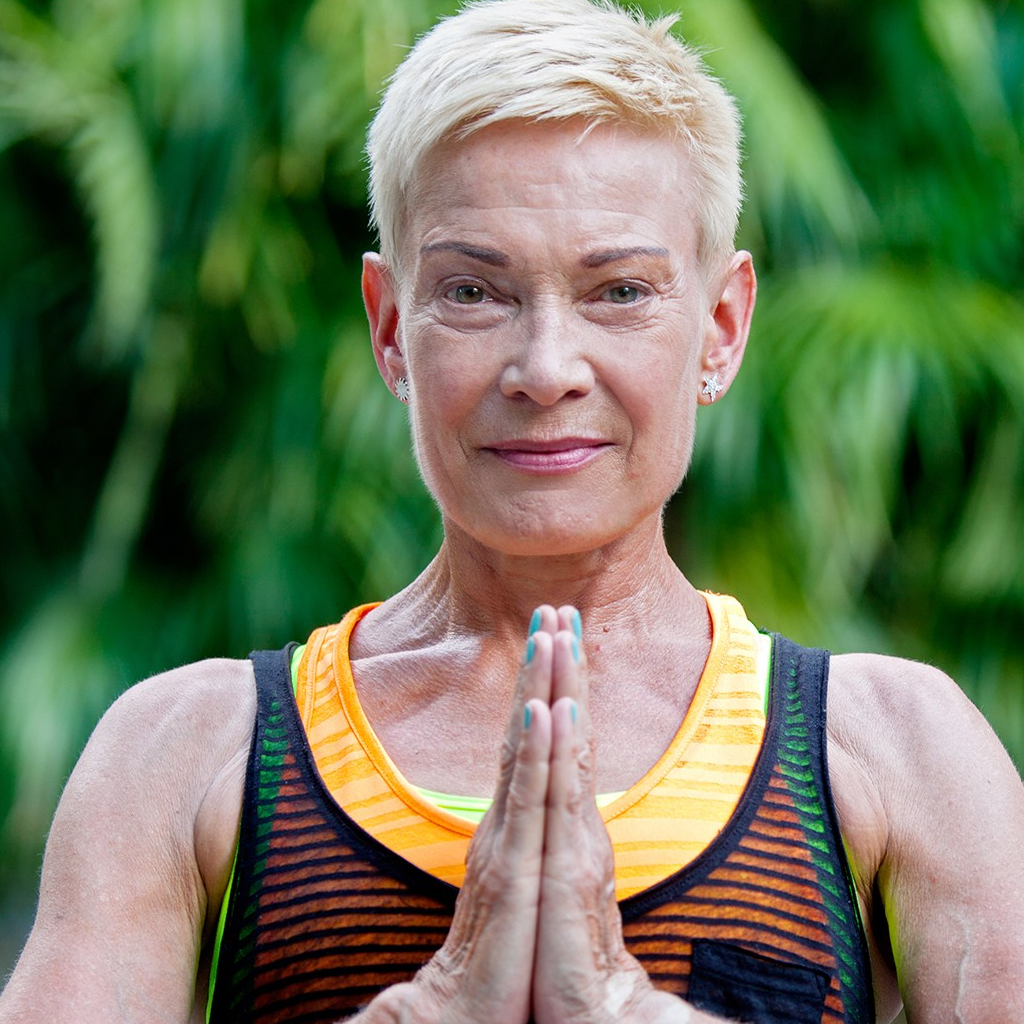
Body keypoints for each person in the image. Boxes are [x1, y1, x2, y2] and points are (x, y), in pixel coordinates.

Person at [2, 0, 1023, 1021]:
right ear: (391, 328)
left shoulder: (892, 752)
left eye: (619, 292)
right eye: (473, 293)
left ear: (720, 326)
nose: (544, 368)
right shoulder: (192, 756)